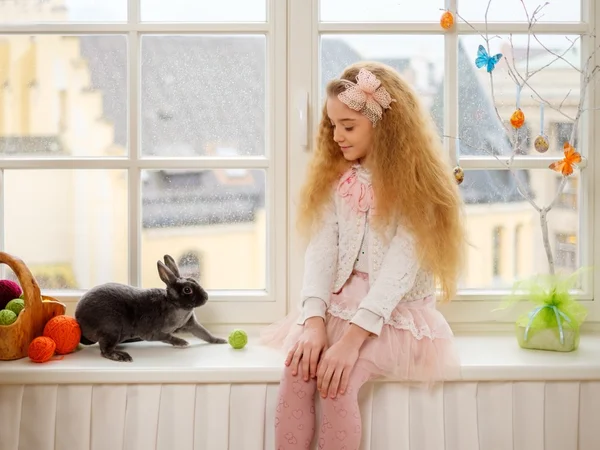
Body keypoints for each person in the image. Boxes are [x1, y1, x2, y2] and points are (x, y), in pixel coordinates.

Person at [260, 61, 467, 450]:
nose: (337, 135)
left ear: (382, 125)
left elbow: (398, 273)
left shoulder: (415, 188)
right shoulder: (338, 178)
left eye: (348, 126)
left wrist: (351, 342)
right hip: (342, 303)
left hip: (394, 313)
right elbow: (321, 250)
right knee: (297, 370)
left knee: (338, 383)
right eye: (332, 125)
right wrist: (314, 320)